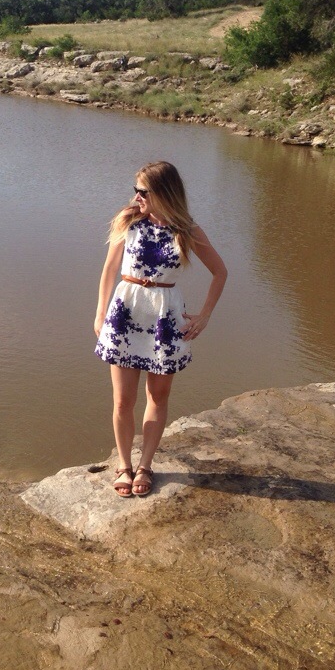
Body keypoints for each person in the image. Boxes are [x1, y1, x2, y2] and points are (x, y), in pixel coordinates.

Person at [94, 161, 227, 498]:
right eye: (136, 190)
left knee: (158, 396)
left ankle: (145, 466)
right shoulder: (128, 221)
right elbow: (109, 269)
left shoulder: (188, 231)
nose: (136, 196)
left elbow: (220, 272)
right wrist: (100, 314)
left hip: (164, 318)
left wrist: (205, 316)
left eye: (143, 191)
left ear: (164, 193)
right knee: (123, 400)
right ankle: (124, 465)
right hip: (125, 313)